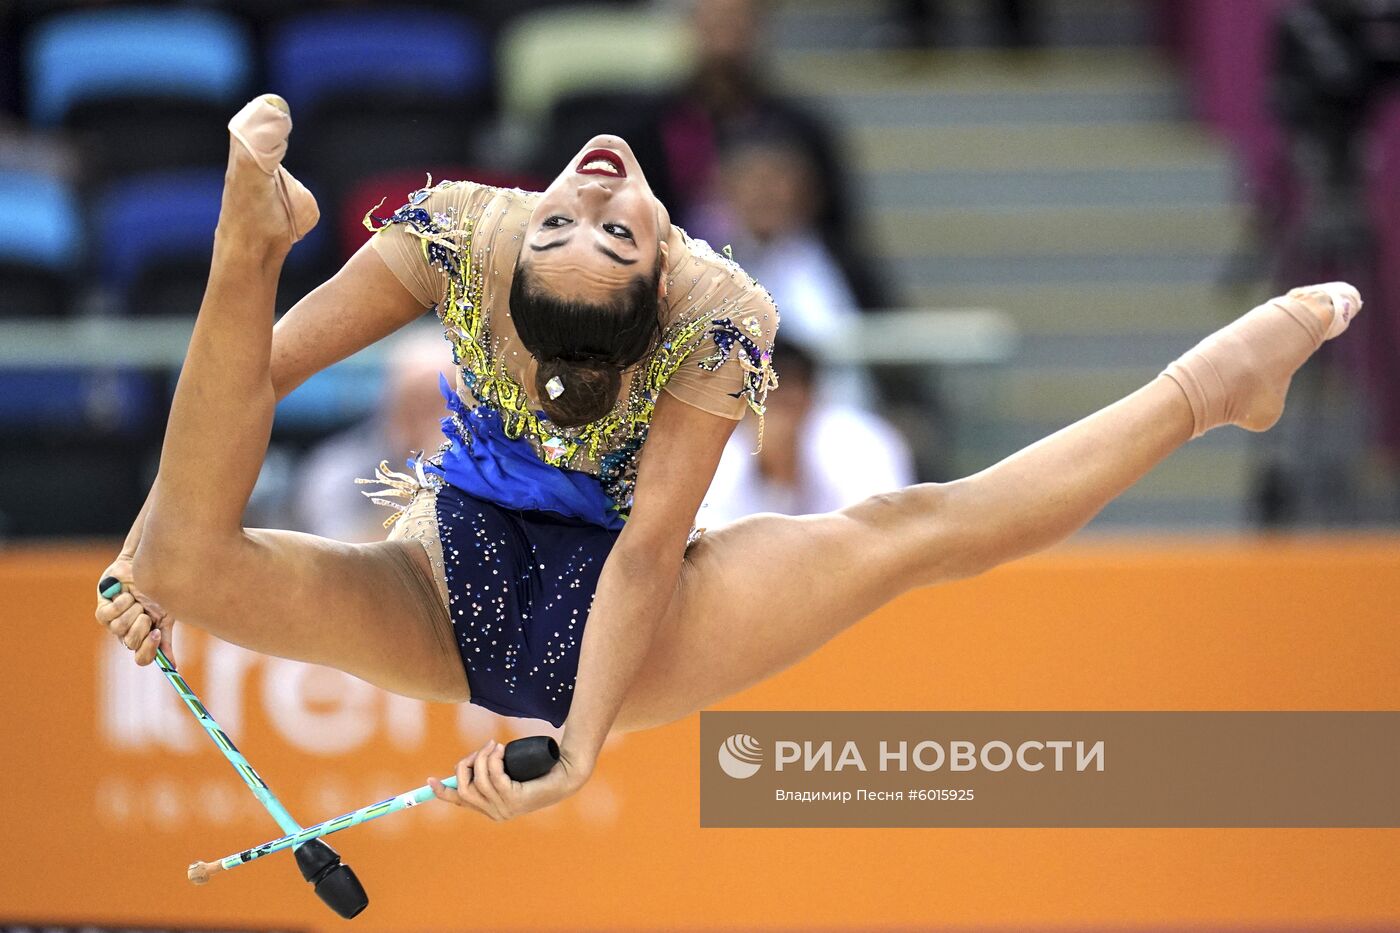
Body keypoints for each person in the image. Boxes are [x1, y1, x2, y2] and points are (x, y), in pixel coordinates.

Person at [95, 94, 1361, 825]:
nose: (593, 193)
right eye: (578, 224)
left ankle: (1207, 390)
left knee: (913, 527)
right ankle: (244, 245)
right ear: (511, 252)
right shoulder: (454, 234)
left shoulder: (719, 316)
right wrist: (152, 556)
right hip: (435, 593)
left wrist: (579, 748)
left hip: (633, 623)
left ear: (660, 276)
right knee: (195, 554)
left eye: (605, 228)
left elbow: (648, 545)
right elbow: (248, 385)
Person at [701, 343, 914, 527]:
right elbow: (709, 545)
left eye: (788, 403)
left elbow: (883, 531)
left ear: (811, 397)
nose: (779, 422)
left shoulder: (861, 442)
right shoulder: (722, 454)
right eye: (763, 402)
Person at [292, 327, 454, 542]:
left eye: (439, 403)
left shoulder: (490, 471)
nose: (427, 420)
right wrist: (424, 479)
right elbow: (337, 556)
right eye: (415, 403)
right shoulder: (339, 469)